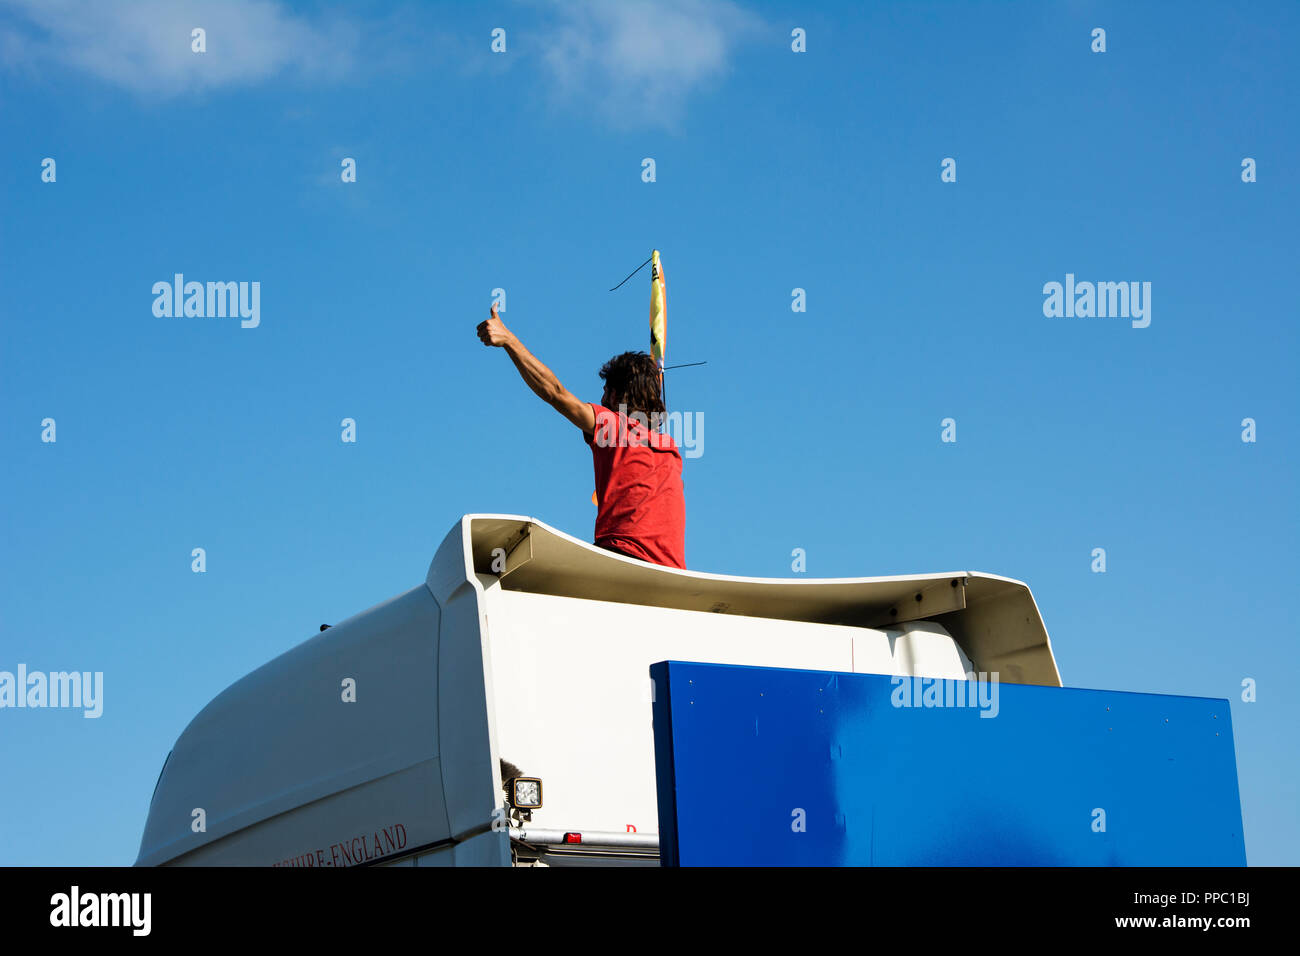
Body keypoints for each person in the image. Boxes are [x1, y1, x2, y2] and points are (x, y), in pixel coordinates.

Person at [476, 304, 685, 569]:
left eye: (605, 391)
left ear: (618, 394)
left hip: (624, 562)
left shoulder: (614, 426)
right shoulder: (671, 450)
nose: (600, 400)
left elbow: (555, 392)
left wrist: (509, 340)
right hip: (672, 571)